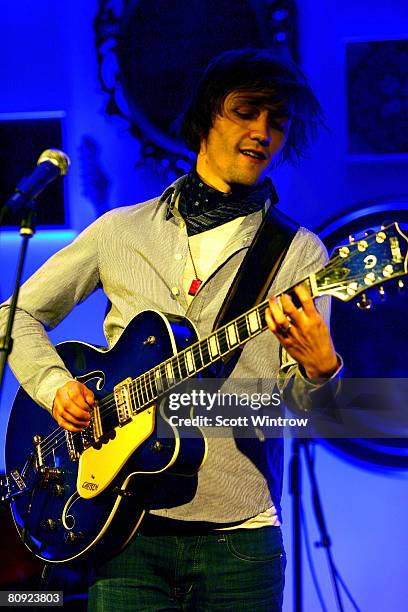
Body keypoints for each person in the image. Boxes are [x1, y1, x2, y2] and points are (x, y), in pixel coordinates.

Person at [0, 48, 341, 611]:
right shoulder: (120, 231)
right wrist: (55, 386)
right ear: (208, 114)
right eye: (247, 112)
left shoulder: (300, 254)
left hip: (240, 535)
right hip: (123, 528)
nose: (263, 133)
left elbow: (304, 415)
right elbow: (16, 314)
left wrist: (320, 369)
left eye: (277, 121)